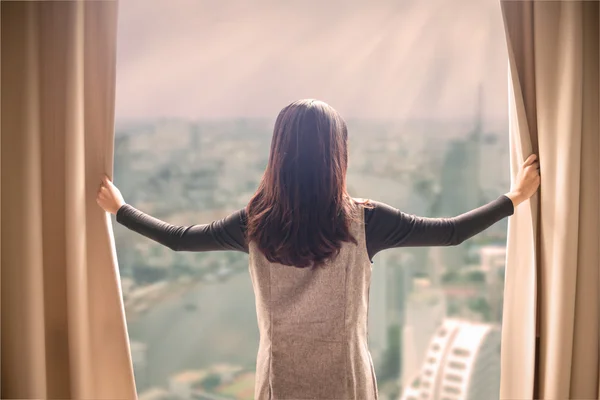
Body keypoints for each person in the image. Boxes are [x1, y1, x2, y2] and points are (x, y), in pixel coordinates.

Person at [97, 99, 540, 400]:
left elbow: (179, 239)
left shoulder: (254, 224)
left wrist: (121, 210)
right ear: (338, 154)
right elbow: (450, 233)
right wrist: (514, 199)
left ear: (279, 153)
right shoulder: (367, 221)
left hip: (279, 384)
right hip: (347, 381)